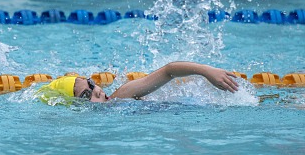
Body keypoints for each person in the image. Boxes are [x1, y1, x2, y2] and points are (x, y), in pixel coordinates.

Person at [39, 62, 239, 103]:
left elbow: (169, 71)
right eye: (86, 95)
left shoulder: (121, 96)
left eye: (90, 84)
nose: (97, 91)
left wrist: (207, 72)